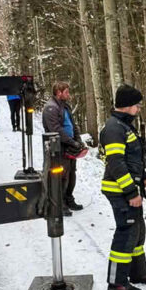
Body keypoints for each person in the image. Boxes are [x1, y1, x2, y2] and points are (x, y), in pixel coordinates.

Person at [99, 84, 146, 290]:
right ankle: (116, 283)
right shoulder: (114, 128)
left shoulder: (125, 125)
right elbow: (116, 163)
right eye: (137, 105)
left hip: (129, 187)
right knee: (126, 233)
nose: (139, 109)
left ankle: (138, 272)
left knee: (137, 231)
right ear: (127, 106)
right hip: (119, 190)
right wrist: (131, 193)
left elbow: (131, 157)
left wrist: (142, 176)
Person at [41, 81, 84, 214]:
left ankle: (69, 199)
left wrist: (78, 140)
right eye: (66, 92)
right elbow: (56, 129)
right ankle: (60, 203)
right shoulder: (51, 108)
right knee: (61, 176)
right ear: (58, 93)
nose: (68, 94)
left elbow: (72, 124)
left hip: (70, 146)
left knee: (71, 174)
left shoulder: (65, 106)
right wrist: (71, 142)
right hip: (59, 147)